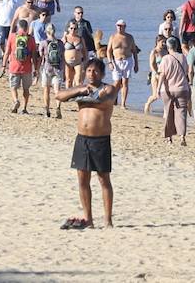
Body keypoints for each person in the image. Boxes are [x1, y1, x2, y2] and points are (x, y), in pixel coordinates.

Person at [56, 59, 118, 229]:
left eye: (96, 71)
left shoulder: (108, 89)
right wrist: (80, 90)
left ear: (102, 73)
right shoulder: (82, 88)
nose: (92, 74)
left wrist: (83, 96)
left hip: (100, 140)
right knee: (83, 180)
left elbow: (104, 100)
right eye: (89, 70)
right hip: (82, 140)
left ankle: (108, 220)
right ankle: (88, 219)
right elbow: (59, 96)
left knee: (103, 179)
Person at [157, 36, 190, 143]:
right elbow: (186, 72)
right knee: (181, 113)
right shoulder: (183, 57)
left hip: (168, 90)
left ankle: (169, 137)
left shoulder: (165, 58)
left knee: (168, 112)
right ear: (177, 46)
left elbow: (162, 75)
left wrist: (158, 88)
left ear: (168, 47)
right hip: (182, 88)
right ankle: (182, 136)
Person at [4, 19, 37, 115]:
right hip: (27, 68)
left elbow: (7, 52)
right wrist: (36, 68)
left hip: (14, 66)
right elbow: (34, 55)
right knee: (26, 89)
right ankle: (24, 108)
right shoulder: (31, 39)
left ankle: (16, 101)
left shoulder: (12, 37)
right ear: (27, 28)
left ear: (18, 27)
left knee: (13, 87)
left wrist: (3, 65)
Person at [106, 20, 139, 109]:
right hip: (116, 61)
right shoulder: (113, 37)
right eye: (118, 26)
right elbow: (108, 51)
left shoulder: (129, 37)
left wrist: (136, 64)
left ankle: (123, 104)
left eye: (121, 26)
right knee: (117, 82)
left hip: (127, 60)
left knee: (125, 82)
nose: (120, 27)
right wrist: (110, 62)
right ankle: (112, 99)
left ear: (125, 26)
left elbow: (134, 51)